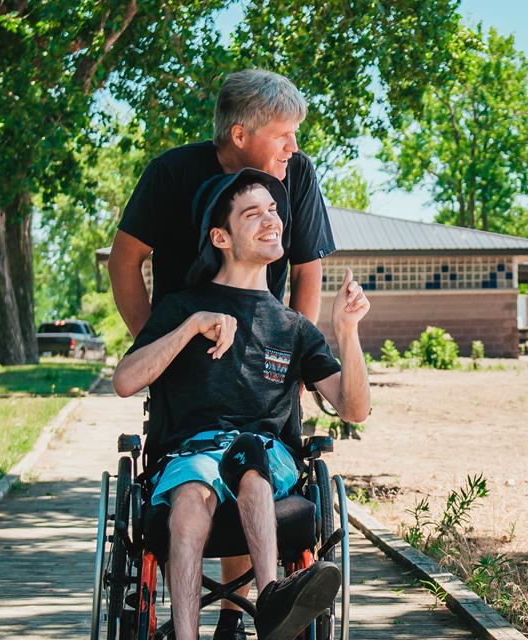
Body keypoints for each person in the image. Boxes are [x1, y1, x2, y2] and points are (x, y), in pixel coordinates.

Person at [107, 68, 336, 639]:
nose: (294, 147)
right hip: (188, 356)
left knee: (252, 455)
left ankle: (238, 617)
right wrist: (163, 345)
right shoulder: (171, 173)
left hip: (266, 358)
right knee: (202, 465)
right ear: (240, 136)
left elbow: (309, 269)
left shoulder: (297, 176)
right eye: (284, 134)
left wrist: (295, 357)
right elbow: (123, 261)